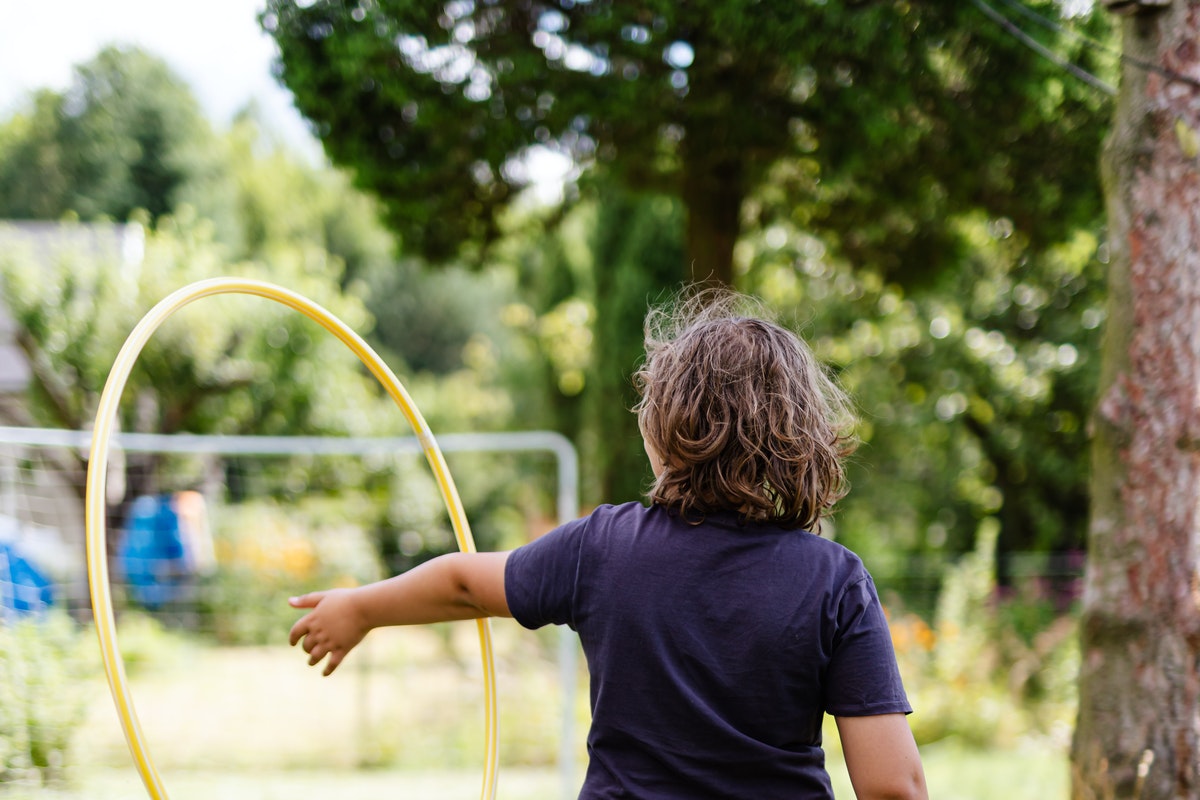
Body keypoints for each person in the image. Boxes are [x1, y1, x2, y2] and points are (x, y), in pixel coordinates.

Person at [288, 289, 928, 800]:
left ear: (662, 428)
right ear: (799, 437)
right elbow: (892, 787)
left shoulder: (603, 548)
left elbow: (461, 582)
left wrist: (362, 607)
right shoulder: (834, 581)